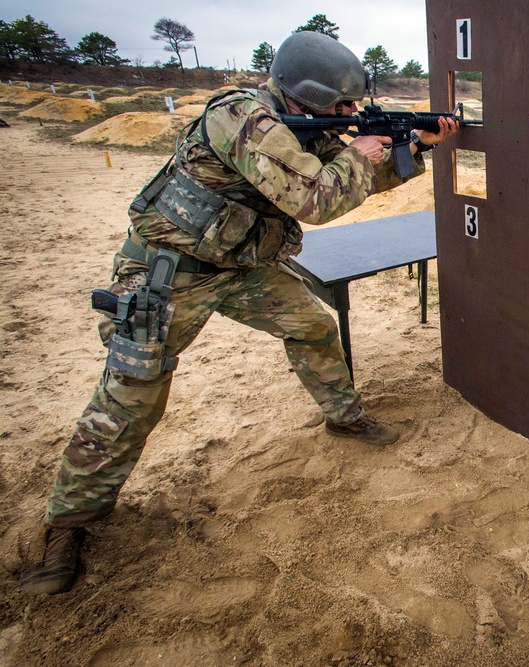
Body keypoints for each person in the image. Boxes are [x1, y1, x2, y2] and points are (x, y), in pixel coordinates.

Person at [19, 31, 458, 595]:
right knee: (133, 392)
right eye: (342, 106)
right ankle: (68, 524)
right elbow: (316, 199)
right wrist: (357, 152)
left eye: (354, 106)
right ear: (301, 94)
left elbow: (351, 183)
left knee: (313, 326)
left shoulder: (305, 124)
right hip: (168, 271)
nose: (350, 114)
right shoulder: (241, 118)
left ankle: (345, 417)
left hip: (241, 266)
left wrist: (413, 144)